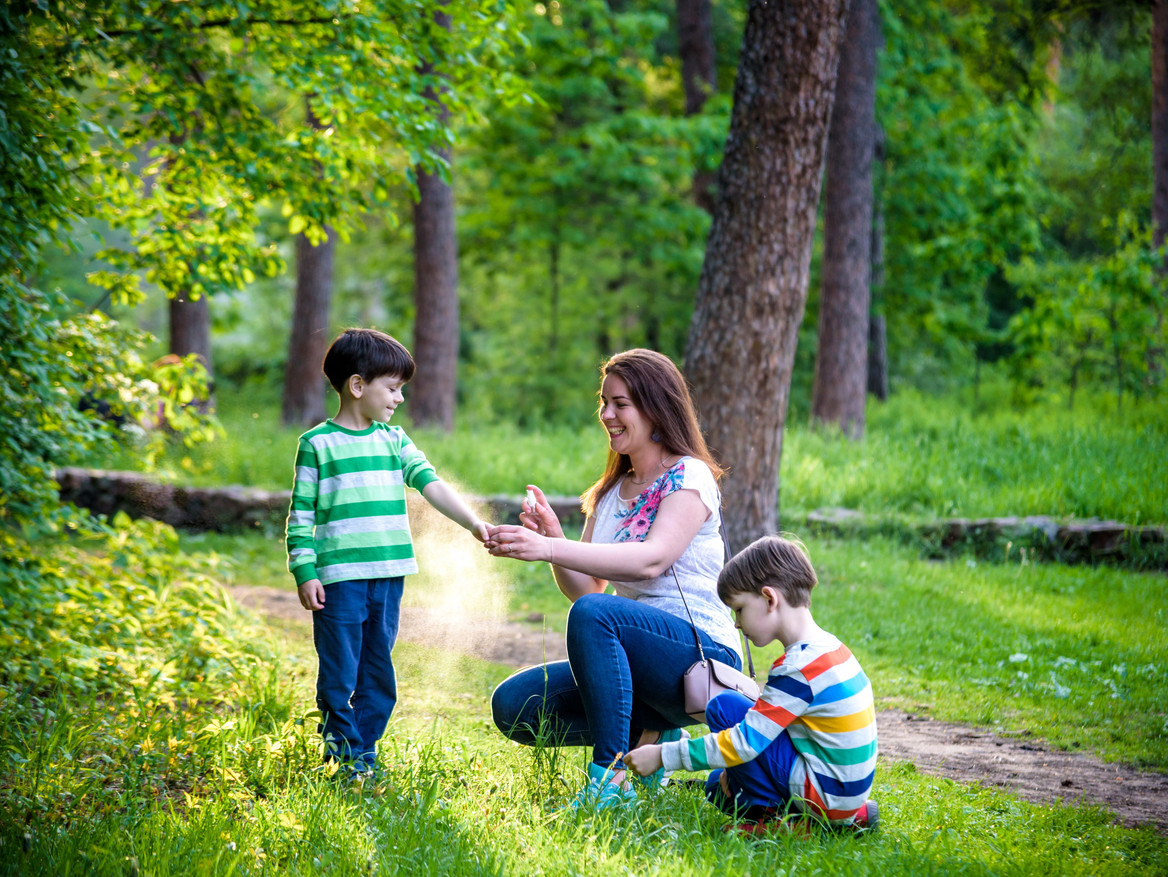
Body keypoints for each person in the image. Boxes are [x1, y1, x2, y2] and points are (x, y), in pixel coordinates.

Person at [485, 348, 743, 809]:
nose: (606, 414)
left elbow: (651, 561)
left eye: (620, 403)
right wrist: (555, 539)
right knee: (516, 707)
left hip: (700, 656)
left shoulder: (689, 476)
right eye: (604, 402)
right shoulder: (609, 494)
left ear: (655, 406)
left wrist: (548, 547)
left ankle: (611, 780)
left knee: (596, 616)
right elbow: (587, 589)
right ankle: (651, 750)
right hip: (631, 661)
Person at [287, 327, 490, 778]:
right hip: (338, 580)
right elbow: (300, 516)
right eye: (393, 388)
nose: (399, 399)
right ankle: (344, 756)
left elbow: (431, 484)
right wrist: (305, 570)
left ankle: (363, 754)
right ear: (358, 386)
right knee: (339, 674)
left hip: (388, 577)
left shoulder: (393, 441)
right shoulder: (317, 445)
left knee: (378, 674)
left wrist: (475, 523)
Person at [623, 535, 879, 834]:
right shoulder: (831, 649)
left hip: (826, 797)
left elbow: (746, 742)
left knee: (724, 709)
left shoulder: (797, 668)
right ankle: (851, 816)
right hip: (844, 792)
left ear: (770, 599)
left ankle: (771, 822)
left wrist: (664, 755)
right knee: (715, 786)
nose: (736, 623)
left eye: (740, 609)